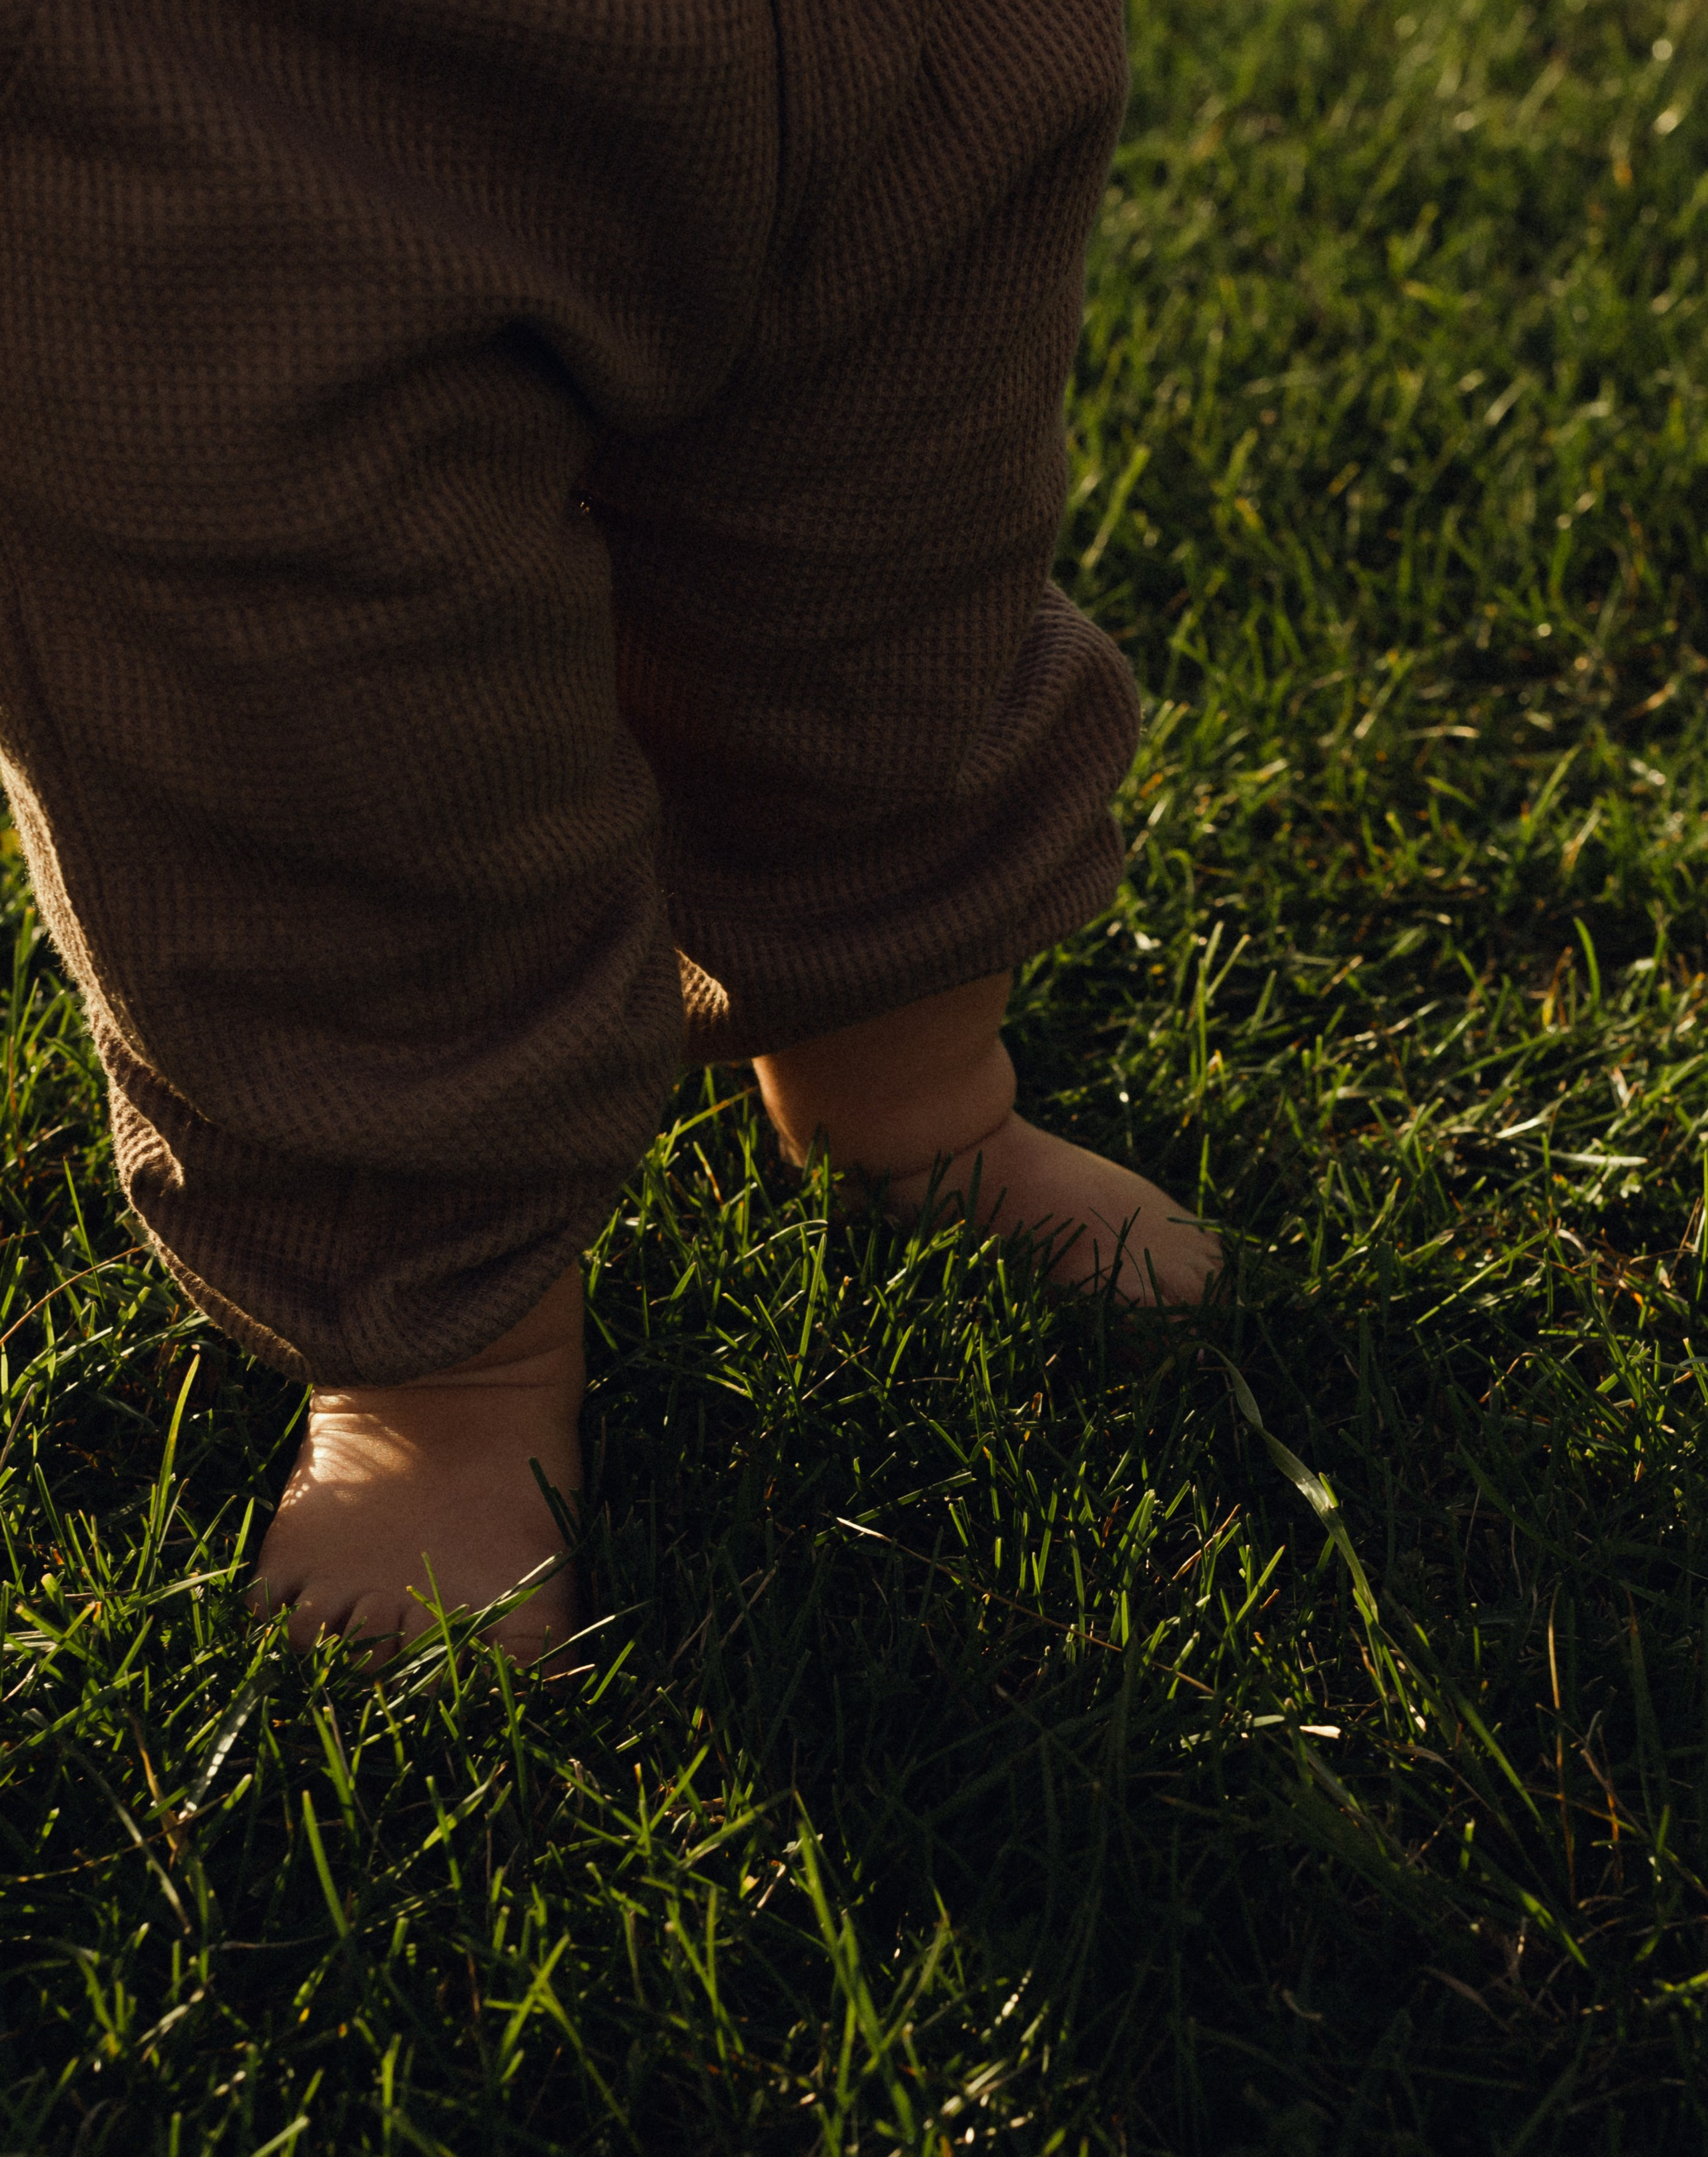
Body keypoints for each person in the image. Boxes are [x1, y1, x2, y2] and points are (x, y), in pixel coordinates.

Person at [0, 0, 1218, 1669]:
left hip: (885, 50)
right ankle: (449, 1360)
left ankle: (910, 1091)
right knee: (313, 712)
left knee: (892, 561)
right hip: (237, 78)